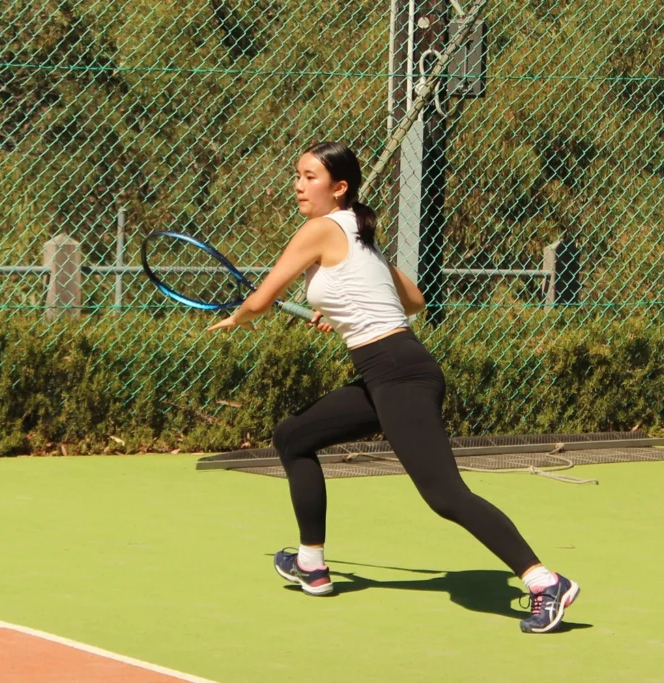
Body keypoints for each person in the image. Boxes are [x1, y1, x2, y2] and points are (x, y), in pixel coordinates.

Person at [205, 141, 579, 634]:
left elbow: (261, 300)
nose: (298, 184)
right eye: (297, 174)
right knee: (293, 437)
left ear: (338, 189)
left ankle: (543, 581)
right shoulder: (359, 237)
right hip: (387, 371)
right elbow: (414, 300)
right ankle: (311, 564)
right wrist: (341, 311)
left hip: (398, 374)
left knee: (445, 494)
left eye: (310, 176)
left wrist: (241, 317)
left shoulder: (319, 229)